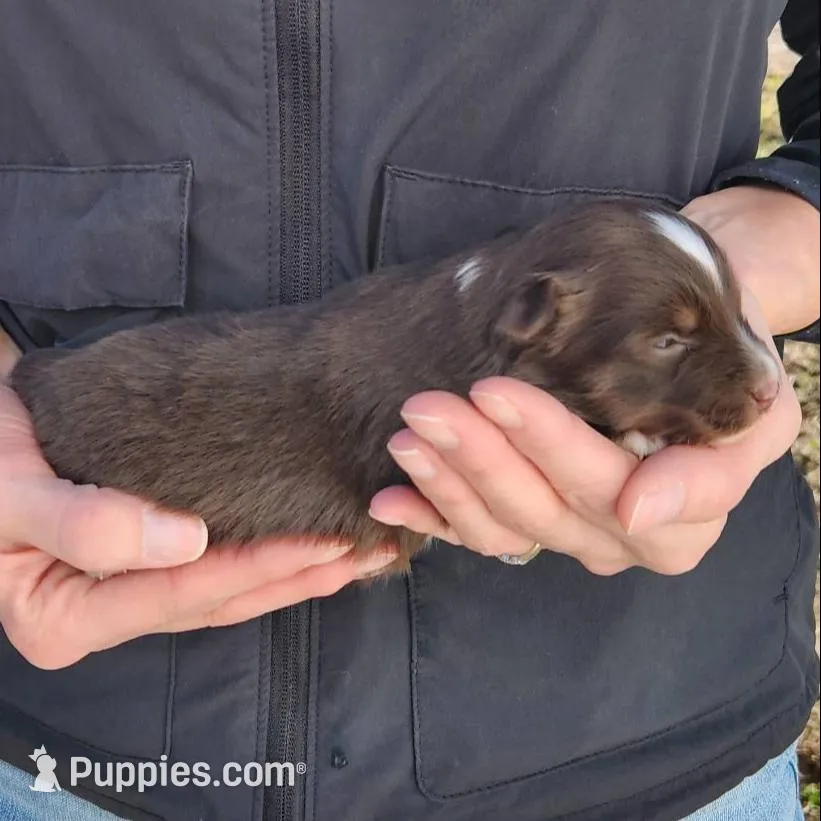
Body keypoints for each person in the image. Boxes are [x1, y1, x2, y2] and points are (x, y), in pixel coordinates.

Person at [0, 2, 818, 820]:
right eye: (674, 342)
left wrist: (786, 228)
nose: (757, 384)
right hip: (70, 757)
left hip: (655, 754)